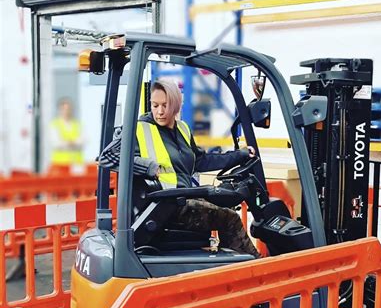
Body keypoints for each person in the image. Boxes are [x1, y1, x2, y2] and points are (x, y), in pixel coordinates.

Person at [99, 79, 261, 258]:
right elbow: (106, 157)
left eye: (165, 105)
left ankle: (232, 264)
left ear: (175, 105)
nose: (159, 111)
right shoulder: (137, 129)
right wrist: (148, 167)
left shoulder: (183, 129)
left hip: (183, 198)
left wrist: (240, 155)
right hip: (163, 206)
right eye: (155, 105)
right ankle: (259, 267)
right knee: (230, 218)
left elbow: (201, 161)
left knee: (228, 201)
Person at [49, 97, 84, 170]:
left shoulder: (77, 124)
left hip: (76, 164)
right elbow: (56, 143)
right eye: (64, 109)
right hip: (60, 164)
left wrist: (66, 142)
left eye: (69, 109)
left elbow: (83, 141)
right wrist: (73, 143)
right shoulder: (54, 124)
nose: (67, 111)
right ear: (60, 110)